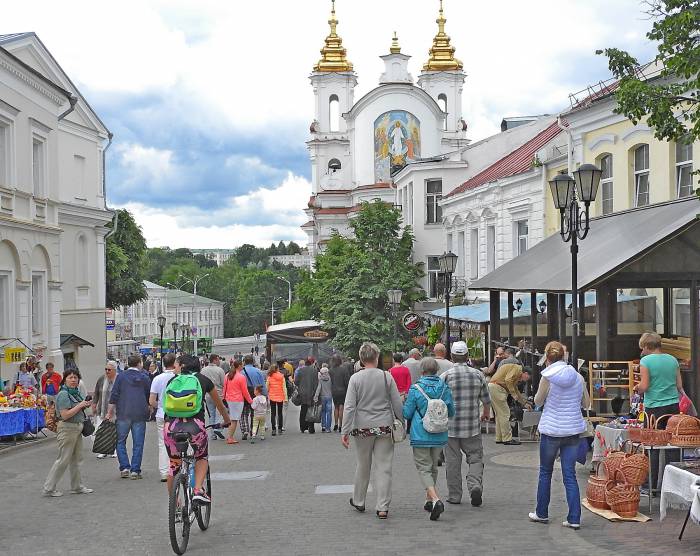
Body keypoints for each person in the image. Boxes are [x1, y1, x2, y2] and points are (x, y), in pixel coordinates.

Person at [529, 341, 588, 530]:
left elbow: (538, 401)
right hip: (572, 431)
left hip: (551, 430)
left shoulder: (547, 377)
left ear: (547, 357)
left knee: (545, 472)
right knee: (569, 475)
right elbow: (586, 403)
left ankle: (541, 513)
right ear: (564, 356)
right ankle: (574, 517)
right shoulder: (578, 377)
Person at [342, 342, 403, 520]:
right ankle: (382, 506)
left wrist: (344, 431)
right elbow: (397, 403)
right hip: (384, 426)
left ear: (361, 359)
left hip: (362, 428)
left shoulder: (355, 379)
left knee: (363, 464)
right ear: (376, 357)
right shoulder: (386, 377)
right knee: (384, 466)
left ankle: (359, 500)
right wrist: (401, 421)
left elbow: (349, 407)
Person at [163, 354, 231, 504]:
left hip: (171, 427)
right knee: (201, 457)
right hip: (195, 426)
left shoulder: (172, 381)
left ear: (182, 366)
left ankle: (176, 505)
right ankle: (198, 489)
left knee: (174, 464)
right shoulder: (204, 380)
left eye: (176, 365)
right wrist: (226, 421)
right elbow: (219, 405)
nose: (175, 368)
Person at [403, 357, 455, 521]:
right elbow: (451, 411)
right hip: (439, 433)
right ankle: (428, 500)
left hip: (420, 434)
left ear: (422, 370)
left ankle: (435, 499)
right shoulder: (444, 387)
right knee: (433, 466)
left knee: (423, 468)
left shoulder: (416, 389)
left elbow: (407, 413)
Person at [441, 341, 491, 507]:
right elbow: (486, 399)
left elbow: (439, 401)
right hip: (472, 427)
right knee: (475, 458)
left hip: (450, 428)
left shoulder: (446, 376)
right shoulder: (478, 375)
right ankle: (475, 485)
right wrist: (484, 413)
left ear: (452, 356)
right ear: (467, 356)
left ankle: (454, 496)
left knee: (452, 462)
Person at [636, 332, 683, 492]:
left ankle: (650, 485)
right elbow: (679, 385)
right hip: (673, 407)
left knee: (652, 446)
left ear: (647, 346)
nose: (642, 351)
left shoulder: (646, 361)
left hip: (654, 408)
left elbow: (645, 386)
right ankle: (673, 486)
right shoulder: (672, 359)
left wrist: (637, 388)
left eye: (643, 348)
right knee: (672, 445)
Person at [43, 369, 93, 496]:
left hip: (77, 428)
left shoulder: (75, 393)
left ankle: (77, 486)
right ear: (65, 379)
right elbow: (65, 415)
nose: (73, 380)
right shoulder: (63, 394)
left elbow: (78, 409)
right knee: (63, 459)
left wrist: (85, 404)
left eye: (75, 377)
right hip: (67, 428)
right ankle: (49, 488)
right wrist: (80, 405)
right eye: (70, 377)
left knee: (77, 459)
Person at [106, 354, 151, 480]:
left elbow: (114, 395)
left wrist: (109, 413)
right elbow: (149, 395)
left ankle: (124, 467)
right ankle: (135, 470)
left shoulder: (121, 377)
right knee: (138, 443)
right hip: (140, 413)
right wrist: (150, 407)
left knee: (120, 441)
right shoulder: (144, 377)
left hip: (123, 413)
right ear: (139, 363)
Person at [488, 355, 530, 445]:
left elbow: (516, 390)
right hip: (497, 388)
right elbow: (508, 380)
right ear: (525, 373)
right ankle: (507, 439)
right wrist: (513, 394)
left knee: (500, 415)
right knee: (505, 413)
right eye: (527, 377)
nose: (526, 380)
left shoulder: (516, 374)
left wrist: (524, 403)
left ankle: (499, 438)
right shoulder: (518, 368)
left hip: (493, 387)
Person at [149, 353, 177, 481]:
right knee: (178, 441)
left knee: (162, 443)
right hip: (177, 413)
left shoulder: (157, 379)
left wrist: (160, 406)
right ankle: (177, 467)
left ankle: (165, 472)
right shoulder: (178, 377)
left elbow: (151, 400)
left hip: (161, 414)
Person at [92, 361, 118, 459]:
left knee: (114, 431)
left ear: (115, 370)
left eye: (109, 370)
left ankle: (114, 450)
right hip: (102, 410)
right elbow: (96, 393)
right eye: (106, 369)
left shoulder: (119, 380)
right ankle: (103, 450)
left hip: (116, 411)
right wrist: (94, 404)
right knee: (101, 431)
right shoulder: (102, 379)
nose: (107, 371)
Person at [222, 360, 252, 444]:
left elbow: (224, 388)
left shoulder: (227, 375)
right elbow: (245, 391)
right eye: (242, 365)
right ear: (238, 366)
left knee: (232, 418)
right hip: (238, 400)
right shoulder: (241, 377)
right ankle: (230, 437)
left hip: (229, 399)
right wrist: (250, 401)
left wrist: (223, 398)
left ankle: (230, 436)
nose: (243, 366)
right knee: (234, 420)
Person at [240, 355, 266, 441]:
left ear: (244, 362)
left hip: (244, 394)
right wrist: (265, 395)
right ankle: (253, 431)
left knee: (244, 413)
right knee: (254, 413)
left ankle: (245, 430)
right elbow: (262, 384)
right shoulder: (258, 371)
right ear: (253, 362)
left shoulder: (241, 372)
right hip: (256, 394)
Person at [200, 354, 226, 440]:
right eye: (218, 360)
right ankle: (217, 428)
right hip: (218, 393)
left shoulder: (203, 370)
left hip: (207, 394)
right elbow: (223, 383)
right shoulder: (220, 370)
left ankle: (212, 434)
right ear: (214, 360)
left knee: (211, 413)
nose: (219, 362)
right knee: (219, 412)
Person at [296, 357, 320, 433]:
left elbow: (296, 382)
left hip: (302, 393)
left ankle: (303, 427)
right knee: (310, 410)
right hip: (311, 393)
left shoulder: (300, 370)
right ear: (311, 363)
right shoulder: (314, 370)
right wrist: (316, 394)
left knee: (303, 410)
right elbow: (316, 383)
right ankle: (311, 428)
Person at [329, 355, 352, 432]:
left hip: (334, 391)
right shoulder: (344, 369)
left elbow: (330, 382)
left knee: (336, 408)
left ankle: (335, 424)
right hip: (342, 391)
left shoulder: (331, 370)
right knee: (341, 408)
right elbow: (347, 381)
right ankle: (340, 425)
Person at [266, 364, 287, 436]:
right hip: (280, 396)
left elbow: (267, 387)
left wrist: (267, 394)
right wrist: (286, 397)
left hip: (272, 396)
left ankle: (273, 429)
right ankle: (280, 428)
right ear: (277, 369)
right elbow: (284, 387)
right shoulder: (281, 376)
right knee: (280, 413)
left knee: (273, 413)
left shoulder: (269, 376)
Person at [314, 364, 333, 432]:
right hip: (329, 396)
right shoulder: (330, 379)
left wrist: (316, 397)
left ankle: (323, 426)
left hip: (322, 397)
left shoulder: (321, 379)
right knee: (329, 412)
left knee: (323, 412)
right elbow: (332, 387)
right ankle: (328, 428)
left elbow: (319, 388)